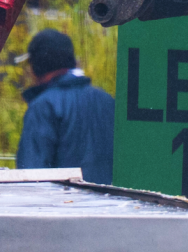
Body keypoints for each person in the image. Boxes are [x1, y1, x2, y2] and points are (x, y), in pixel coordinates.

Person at [15, 29, 115, 184]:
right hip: (111, 198)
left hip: (66, 199)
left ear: (35, 67)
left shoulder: (43, 107)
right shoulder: (107, 101)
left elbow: (31, 175)